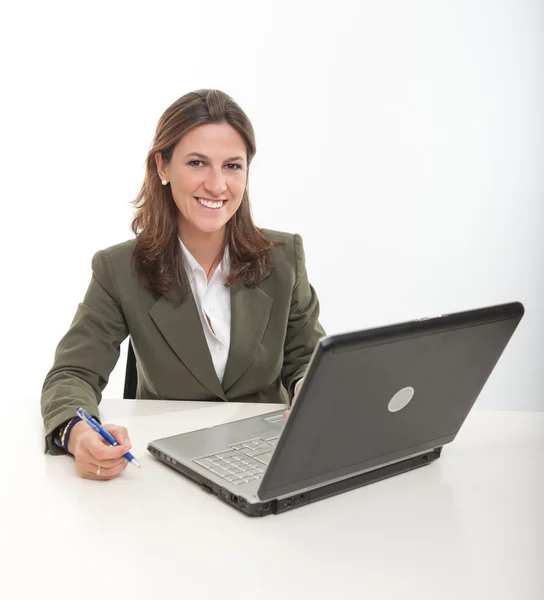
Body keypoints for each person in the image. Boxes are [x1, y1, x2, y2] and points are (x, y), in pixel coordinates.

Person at [41, 89, 326, 481]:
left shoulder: (283, 258)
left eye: (232, 166)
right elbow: (72, 374)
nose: (217, 184)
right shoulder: (119, 269)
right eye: (197, 163)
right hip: (166, 468)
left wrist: (307, 393)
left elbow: (307, 360)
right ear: (163, 166)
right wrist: (77, 433)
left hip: (269, 457)